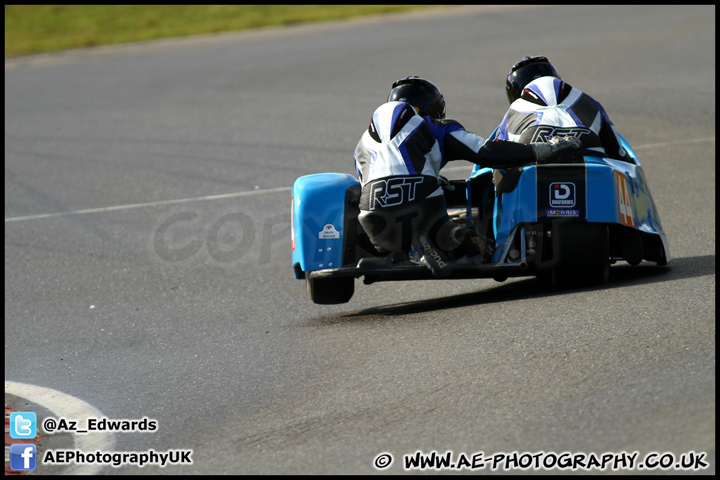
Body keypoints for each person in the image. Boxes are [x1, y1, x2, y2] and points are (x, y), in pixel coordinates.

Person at [353, 75, 581, 278]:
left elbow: (385, 177)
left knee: (389, 227)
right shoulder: (437, 127)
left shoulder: (362, 143)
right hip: (425, 214)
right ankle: (435, 246)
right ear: (427, 109)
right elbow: (487, 153)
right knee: (485, 249)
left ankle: (397, 253)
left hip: (372, 219)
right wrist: (541, 149)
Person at [499, 55, 630, 162]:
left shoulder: (514, 110)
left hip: (533, 157)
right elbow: (619, 155)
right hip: (589, 152)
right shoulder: (588, 100)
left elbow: (495, 155)